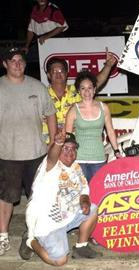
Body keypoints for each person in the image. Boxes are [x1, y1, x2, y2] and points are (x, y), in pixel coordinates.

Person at [0, 47, 56, 256]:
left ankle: (32, 234)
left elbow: (50, 114)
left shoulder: (37, 87)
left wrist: (52, 143)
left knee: (37, 197)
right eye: (12, 60)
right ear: (5, 64)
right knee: (6, 197)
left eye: (20, 60)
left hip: (36, 153)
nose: (17, 64)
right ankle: (3, 236)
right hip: (7, 154)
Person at [19, 131, 101, 265]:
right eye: (65, 148)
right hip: (47, 223)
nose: (70, 152)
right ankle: (30, 240)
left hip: (67, 214)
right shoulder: (50, 165)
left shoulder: (75, 167)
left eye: (73, 149)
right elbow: (52, 156)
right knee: (60, 260)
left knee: (92, 208)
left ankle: (81, 247)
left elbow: (84, 191)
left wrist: (85, 202)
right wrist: (57, 143)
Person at [42, 48, 117, 143]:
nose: (58, 74)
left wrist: (108, 66)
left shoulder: (78, 90)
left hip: (75, 145)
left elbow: (96, 82)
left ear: (66, 73)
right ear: (48, 75)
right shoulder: (41, 94)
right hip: (48, 146)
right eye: (54, 71)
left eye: (61, 71)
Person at [65, 70, 120, 182]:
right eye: (83, 88)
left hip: (98, 158)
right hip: (78, 159)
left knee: (97, 194)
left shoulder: (104, 107)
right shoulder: (73, 110)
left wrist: (117, 151)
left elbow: (110, 131)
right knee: (81, 195)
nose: (87, 91)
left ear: (95, 89)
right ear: (79, 91)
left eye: (90, 87)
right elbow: (68, 137)